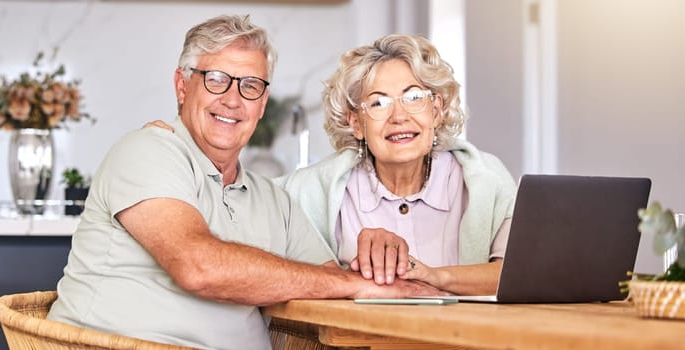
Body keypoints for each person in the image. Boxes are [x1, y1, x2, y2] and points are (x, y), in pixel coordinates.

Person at [46, 15, 442, 350]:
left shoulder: (273, 200)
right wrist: (351, 284)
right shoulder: (146, 151)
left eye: (250, 85)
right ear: (183, 86)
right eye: (216, 78)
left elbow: (330, 284)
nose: (233, 100)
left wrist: (374, 264)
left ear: (262, 103)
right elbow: (197, 266)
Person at [277, 34, 517, 296]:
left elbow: (516, 273)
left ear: (435, 111)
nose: (399, 117)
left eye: (413, 97)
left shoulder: (487, 178)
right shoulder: (310, 190)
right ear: (356, 123)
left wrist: (433, 276)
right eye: (379, 103)